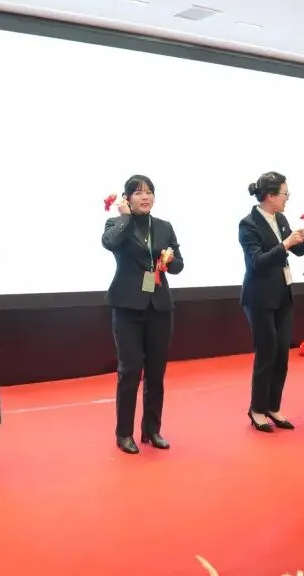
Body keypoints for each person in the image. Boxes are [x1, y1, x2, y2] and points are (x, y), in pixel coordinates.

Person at [102, 175, 184, 454]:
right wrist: (125, 217)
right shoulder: (117, 224)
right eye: (138, 193)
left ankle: (152, 429)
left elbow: (179, 265)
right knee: (129, 371)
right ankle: (124, 433)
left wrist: (169, 262)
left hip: (159, 306)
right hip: (127, 307)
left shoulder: (163, 226)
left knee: (156, 372)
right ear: (127, 198)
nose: (145, 197)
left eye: (149, 192)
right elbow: (110, 243)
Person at [238, 172, 304, 431]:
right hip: (259, 297)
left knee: (283, 353)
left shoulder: (280, 218)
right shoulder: (248, 224)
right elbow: (256, 261)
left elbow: (298, 250)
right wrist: (284, 244)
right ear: (270, 196)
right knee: (267, 352)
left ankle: (273, 406)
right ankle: (257, 409)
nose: (287, 198)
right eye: (285, 194)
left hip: (283, 295)